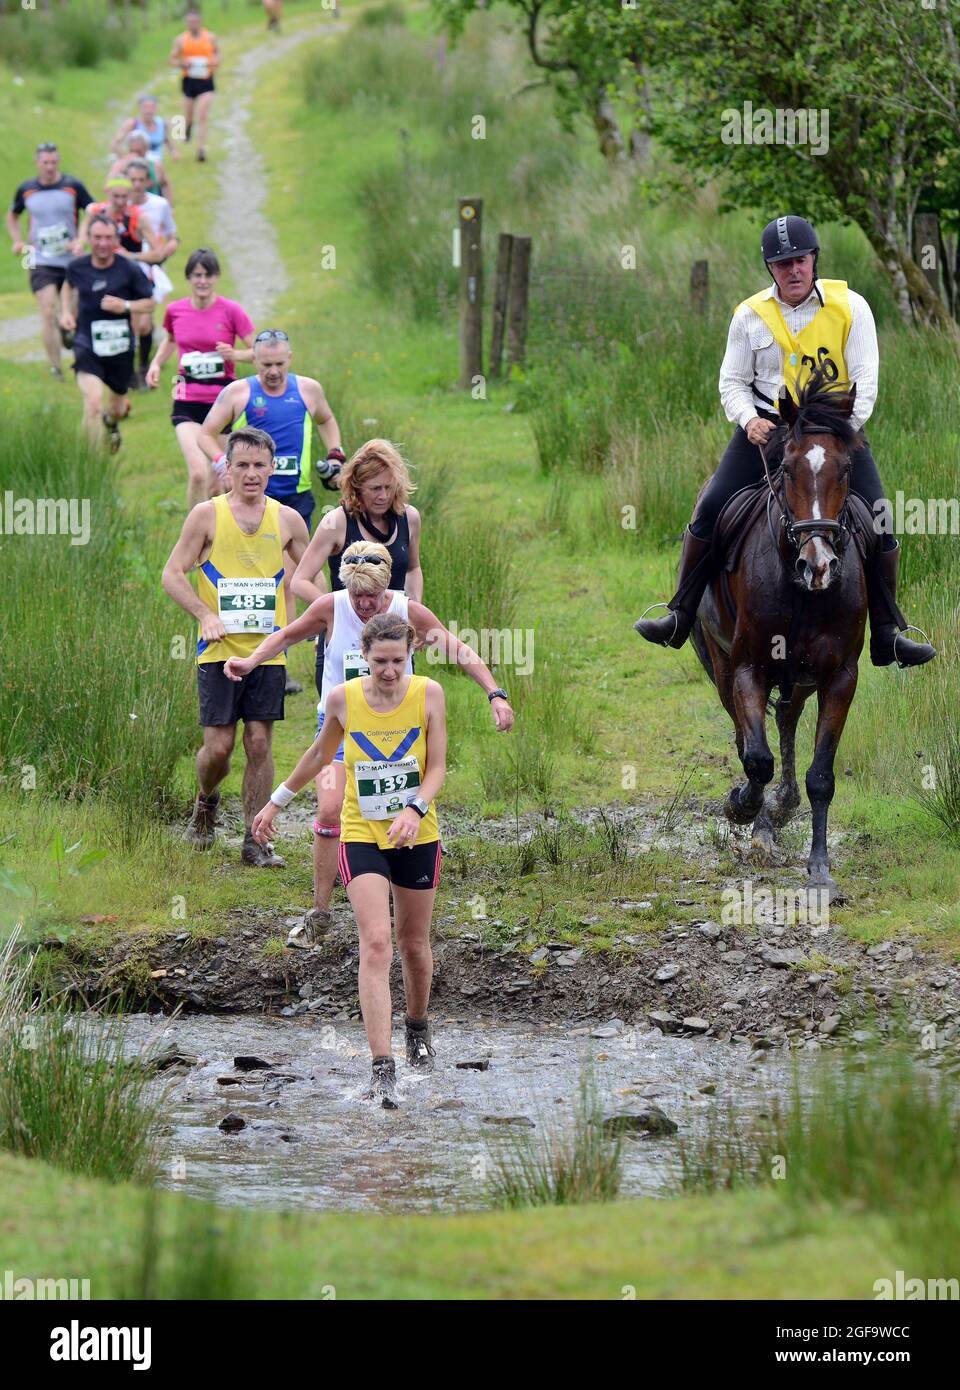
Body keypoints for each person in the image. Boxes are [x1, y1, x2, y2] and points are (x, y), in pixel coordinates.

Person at [634, 214, 936, 669]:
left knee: (879, 518)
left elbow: (867, 382)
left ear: (814, 260)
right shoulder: (749, 315)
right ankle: (679, 613)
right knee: (711, 506)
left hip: (834, 434)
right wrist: (748, 419)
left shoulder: (852, 307)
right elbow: (731, 382)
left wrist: (837, 432)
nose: (793, 270)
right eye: (782, 264)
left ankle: (889, 633)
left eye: (800, 260)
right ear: (770, 269)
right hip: (767, 432)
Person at [225, 540, 514, 945]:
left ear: (386, 589)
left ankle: (397, 891)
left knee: (399, 809)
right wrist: (250, 661)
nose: (364, 606)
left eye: (372, 597)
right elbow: (288, 634)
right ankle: (320, 913)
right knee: (329, 809)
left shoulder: (408, 610)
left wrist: (494, 693)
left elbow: (457, 648)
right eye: (358, 596)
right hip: (342, 725)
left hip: (402, 729)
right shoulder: (331, 606)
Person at [251, 614, 446, 1108]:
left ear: (410, 654)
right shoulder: (344, 698)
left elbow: (438, 767)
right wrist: (276, 802)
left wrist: (414, 807)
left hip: (416, 833)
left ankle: (418, 1028)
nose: (388, 671)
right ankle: (382, 1068)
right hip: (361, 833)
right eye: (379, 661)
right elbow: (319, 754)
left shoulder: (429, 694)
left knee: (414, 944)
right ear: (363, 657)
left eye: (397, 661)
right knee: (377, 942)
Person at [161, 427, 309, 867]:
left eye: (259, 465)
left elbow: (311, 574)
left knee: (260, 743)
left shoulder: (287, 520)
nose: (250, 474)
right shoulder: (206, 516)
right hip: (220, 652)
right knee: (219, 749)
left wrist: (335, 612)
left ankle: (255, 839)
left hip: (267, 652)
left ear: (272, 468)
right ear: (226, 469)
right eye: (241, 465)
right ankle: (206, 800)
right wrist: (205, 616)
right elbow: (172, 574)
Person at [200, 328, 345, 692]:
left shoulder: (308, 390)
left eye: (279, 364)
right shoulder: (239, 392)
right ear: (254, 359)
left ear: (290, 360)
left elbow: (326, 419)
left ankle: (321, 640)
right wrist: (222, 463)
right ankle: (272, 664)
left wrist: (335, 453)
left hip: (294, 501)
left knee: (300, 576)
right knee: (265, 583)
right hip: (249, 504)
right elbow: (207, 432)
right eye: (266, 364)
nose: (273, 372)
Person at [291, 439, 423, 700]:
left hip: (393, 639)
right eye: (374, 488)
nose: (383, 495)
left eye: (388, 487)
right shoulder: (337, 522)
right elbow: (300, 580)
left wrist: (413, 611)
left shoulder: (410, 518)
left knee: (394, 719)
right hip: (345, 641)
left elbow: (412, 569)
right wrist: (338, 613)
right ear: (357, 488)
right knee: (341, 722)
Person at [146, 247, 255, 509]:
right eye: (197, 275)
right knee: (198, 472)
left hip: (223, 403)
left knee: (220, 482)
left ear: (216, 277)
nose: (202, 281)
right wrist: (156, 364)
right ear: (188, 278)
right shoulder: (175, 310)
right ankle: (192, 541)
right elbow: (171, 341)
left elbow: (257, 351)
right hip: (187, 401)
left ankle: (217, 538)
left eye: (208, 275)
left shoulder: (231, 310)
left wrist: (235, 355)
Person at [59, 214, 155, 451]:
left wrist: (126, 306)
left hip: (120, 348)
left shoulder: (129, 269)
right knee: (92, 403)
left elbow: (150, 303)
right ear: (89, 239)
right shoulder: (76, 267)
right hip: (87, 343)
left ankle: (111, 423)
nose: (102, 243)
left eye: (108, 238)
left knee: (117, 409)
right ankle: (90, 466)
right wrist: (65, 313)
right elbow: (67, 286)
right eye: (97, 238)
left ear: (116, 240)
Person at [6, 142, 93, 378]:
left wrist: (82, 239)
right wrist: (17, 241)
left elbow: (93, 210)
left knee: (73, 310)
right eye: (45, 162)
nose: (49, 167)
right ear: (37, 163)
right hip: (40, 259)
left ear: (59, 162)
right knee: (47, 311)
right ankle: (56, 367)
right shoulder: (27, 189)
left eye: (54, 162)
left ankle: (68, 327)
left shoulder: (72, 186)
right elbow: (12, 215)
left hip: (71, 260)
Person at [79, 177, 166, 390]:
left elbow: (158, 254)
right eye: (115, 196)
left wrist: (131, 257)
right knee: (122, 327)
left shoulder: (138, 217)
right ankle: (120, 373)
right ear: (107, 194)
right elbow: (81, 239)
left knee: (142, 325)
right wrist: (80, 248)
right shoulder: (96, 214)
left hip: (134, 277)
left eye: (124, 197)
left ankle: (144, 366)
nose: (120, 201)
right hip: (106, 278)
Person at [126, 159, 180, 387]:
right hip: (124, 271)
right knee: (130, 323)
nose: (137, 185)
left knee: (145, 323)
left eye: (141, 180)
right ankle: (130, 372)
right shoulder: (120, 206)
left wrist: (169, 247)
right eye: (132, 180)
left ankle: (143, 367)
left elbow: (173, 235)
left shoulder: (159, 205)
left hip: (150, 270)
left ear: (148, 181)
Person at [171, 8, 220, 163]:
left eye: (195, 21)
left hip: (206, 79)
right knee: (188, 115)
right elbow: (172, 59)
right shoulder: (181, 40)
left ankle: (201, 149)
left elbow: (218, 53)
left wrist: (216, 61)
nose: (193, 24)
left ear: (200, 21)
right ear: (186, 23)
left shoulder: (210, 37)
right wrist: (182, 63)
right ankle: (186, 128)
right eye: (190, 21)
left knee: (203, 114)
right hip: (189, 80)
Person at [112, 95, 178, 165]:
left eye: (151, 107)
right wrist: (124, 160)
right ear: (140, 108)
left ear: (156, 108)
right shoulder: (133, 124)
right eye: (145, 107)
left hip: (156, 166)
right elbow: (115, 144)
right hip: (137, 167)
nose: (148, 111)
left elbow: (166, 139)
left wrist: (173, 151)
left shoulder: (161, 123)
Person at [109, 131, 172, 204]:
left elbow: (165, 185)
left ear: (146, 149)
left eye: (139, 151)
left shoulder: (155, 165)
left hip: (152, 206)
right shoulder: (121, 165)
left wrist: (169, 205)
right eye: (132, 151)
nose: (136, 155)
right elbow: (107, 187)